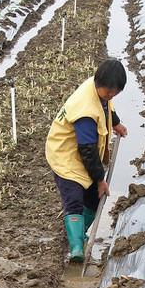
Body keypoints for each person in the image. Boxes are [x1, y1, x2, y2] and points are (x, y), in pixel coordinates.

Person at [45, 59, 128, 263]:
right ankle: (75, 249)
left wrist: (116, 123)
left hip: (81, 153)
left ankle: (79, 234)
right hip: (66, 156)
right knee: (74, 198)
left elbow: (107, 108)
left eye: (114, 93)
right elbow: (88, 151)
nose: (110, 96)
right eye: (108, 92)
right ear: (99, 83)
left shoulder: (99, 90)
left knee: (93, 197)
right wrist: (100, 180)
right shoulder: (85, 111)